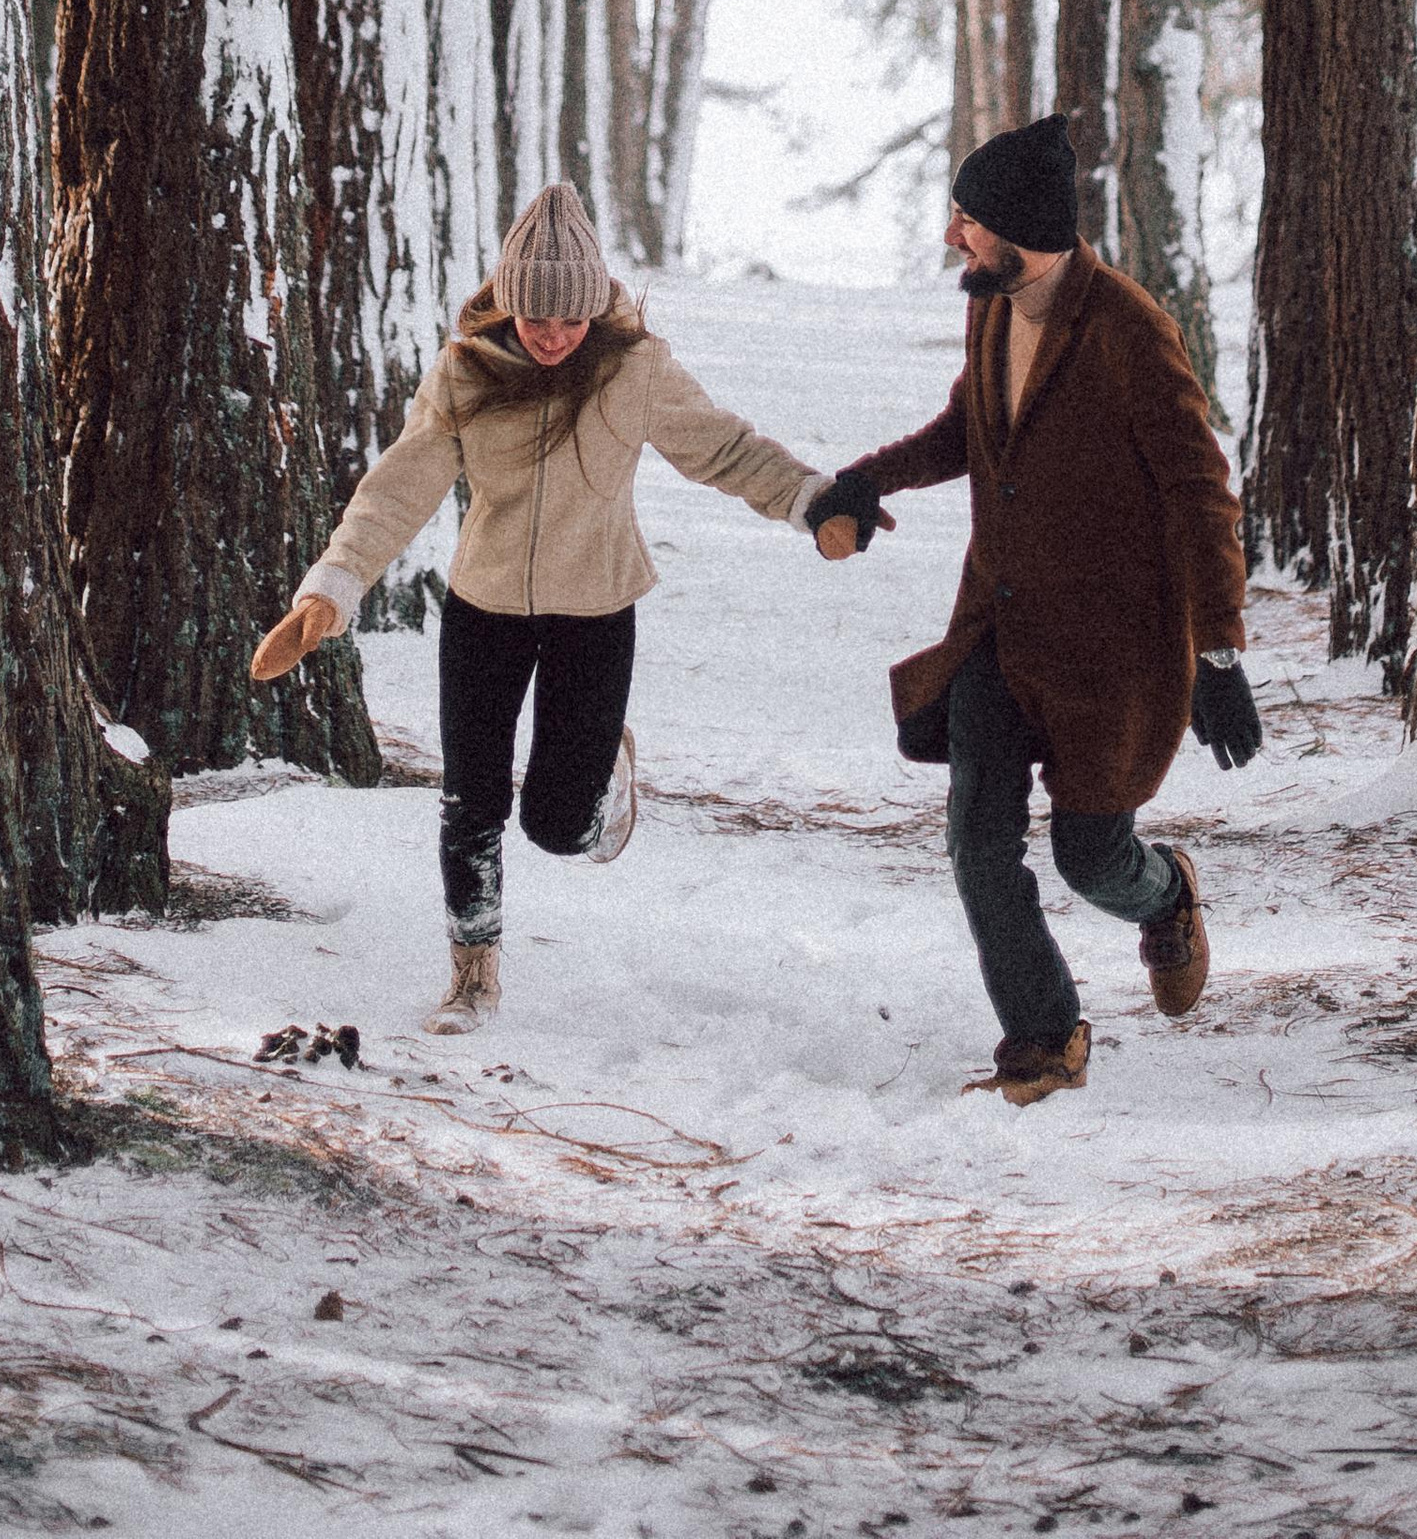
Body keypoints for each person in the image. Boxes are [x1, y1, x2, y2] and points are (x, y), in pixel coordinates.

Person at [249, 183, 846, 1034]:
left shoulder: (635, 370)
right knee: (471, 800)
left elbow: (723, 447)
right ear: (508, 302)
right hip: (483, 608)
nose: (554, 334)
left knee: (559, 827)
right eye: (536, 317)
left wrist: (810, 501)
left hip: (594, 611)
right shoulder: (465, 372)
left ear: (595, 308)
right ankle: (472, 978)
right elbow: (399, 485)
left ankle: (606, 778)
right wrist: (334, 583)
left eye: (570, 319)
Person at [806, 110, 1261, 1107]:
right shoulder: (993, 304)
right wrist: (866, 477)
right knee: (978, 845)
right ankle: (1045, 1041)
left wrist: (1219, 653)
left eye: (967, 220)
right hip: (998, 630)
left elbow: (1200, 493)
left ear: (1022, 227)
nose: (952, 236)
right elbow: (966, 427)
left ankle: (1166, 893)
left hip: (1109, 655)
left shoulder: (1130, 331)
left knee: (1089, 855)